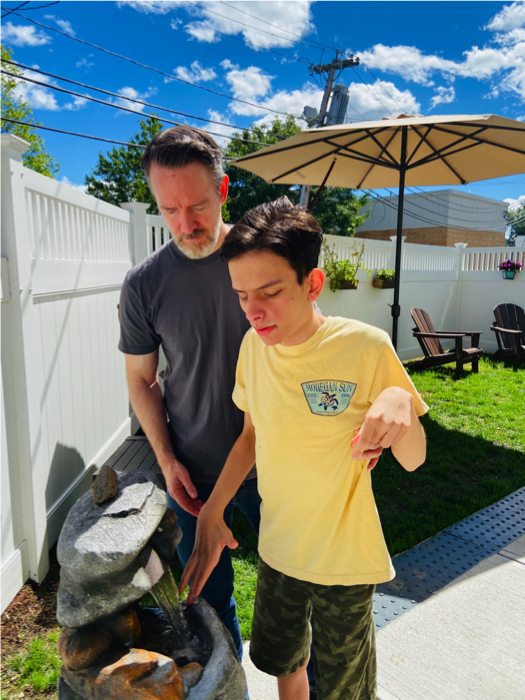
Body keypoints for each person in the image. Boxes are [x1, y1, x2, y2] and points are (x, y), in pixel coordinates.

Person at [179, 198, 428, 700]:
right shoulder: (254, 348)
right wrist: (213, 510)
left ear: (311, 284)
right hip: (277, 550)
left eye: (269, 292)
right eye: (242, 295)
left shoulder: (365, 346)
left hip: (345, 561)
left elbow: (414, 458)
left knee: (343, 687)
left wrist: (399, 398)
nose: (253, 311)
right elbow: (251, 437)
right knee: (281, 660)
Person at [117, 125, 262, 661]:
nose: (184, 224)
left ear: (223, 191)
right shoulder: (143, 283)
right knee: (208, 601)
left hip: (278, 464)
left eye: (197, 206)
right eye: (168, 210)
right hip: (193, 472)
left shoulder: (263, 260)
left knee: (298, 591)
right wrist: (166, 459)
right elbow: (140, 379)